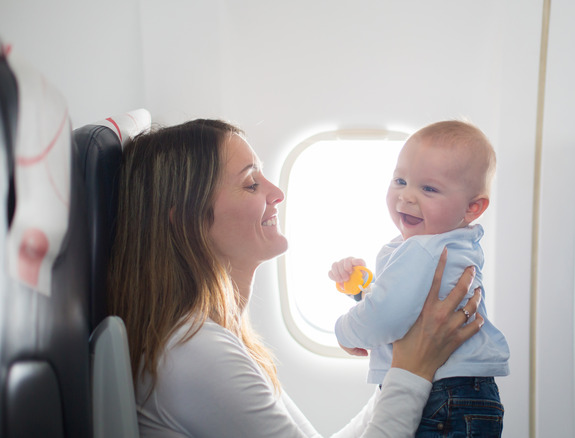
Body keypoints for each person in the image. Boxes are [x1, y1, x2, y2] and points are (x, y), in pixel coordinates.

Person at [107, 119, 485, 437]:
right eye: (251, 183)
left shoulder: (220, 338)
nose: (276, 192)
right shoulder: (194, 352)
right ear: (187, 218)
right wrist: (412, 368)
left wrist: (408, 356)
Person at [329, 120, 510, 436]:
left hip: (443, 395)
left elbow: (386, 317)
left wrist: (344, 332)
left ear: (472, 207)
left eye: (428, 188)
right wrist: (362, 291)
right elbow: (410, 306)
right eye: (400, 180)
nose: (406, 197)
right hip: (467, 395)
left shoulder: (423, 250)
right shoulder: (450, 244)